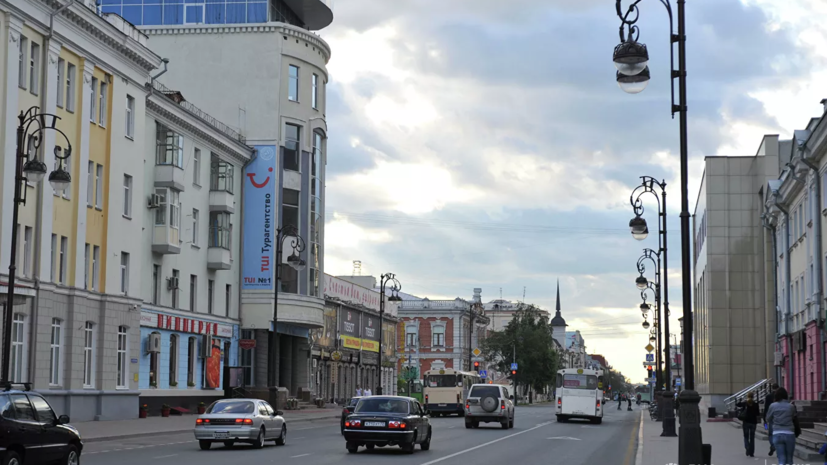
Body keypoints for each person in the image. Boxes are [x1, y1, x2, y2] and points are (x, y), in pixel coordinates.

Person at [765, 387, 797, 465]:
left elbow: (768, 418)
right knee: (789, 459)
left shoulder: (773, 406)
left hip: (777, 433)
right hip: (789, 433)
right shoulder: (791, 406)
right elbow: (793, 417)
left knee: (781, 459)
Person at [736, 392, 761, 457]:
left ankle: (747, 447)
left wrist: (741, 400)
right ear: (753, 396)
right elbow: (758, 414)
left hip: (746, 422)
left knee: (746, 436)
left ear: (747, 396)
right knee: (752, 438)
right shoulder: (756, 404)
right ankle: (752, 452)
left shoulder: (745, 403)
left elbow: (737, 404)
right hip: (753, 422)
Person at [765, 383, 779, 456]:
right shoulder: (780, 397)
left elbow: (766, 407)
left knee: (771, 433)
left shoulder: (768, 396)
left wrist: (765, 418)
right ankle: (776, 446)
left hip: (771, 417)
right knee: (777, 433)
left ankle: (773, 445)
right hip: (779, 417)